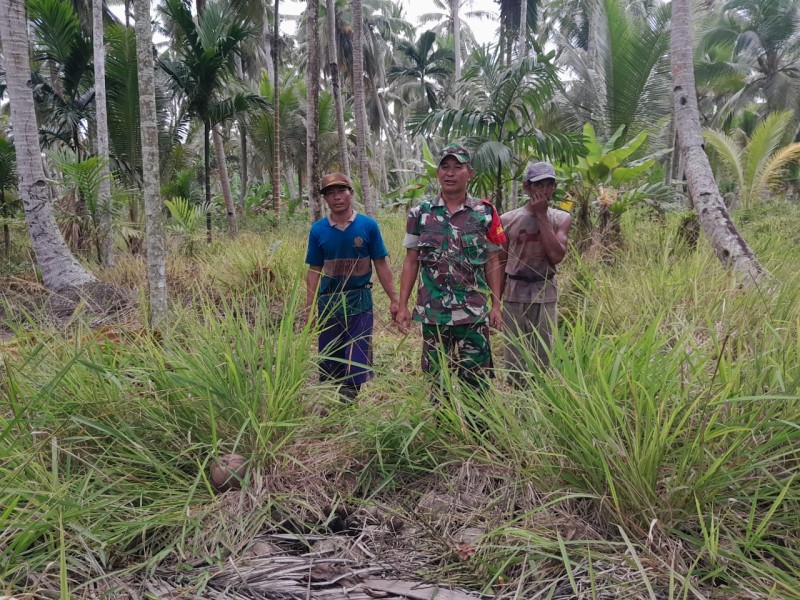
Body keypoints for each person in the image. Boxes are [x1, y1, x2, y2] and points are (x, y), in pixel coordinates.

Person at [395, 144, 507, 394]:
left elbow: (492, 262)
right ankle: (443, 430)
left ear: (470, 173)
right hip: (434, 315)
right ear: (438, 173)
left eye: (458, 167)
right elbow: (411, 261)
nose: (450, 173)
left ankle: (478, 431)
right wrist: (403, 305)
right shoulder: (420, 214)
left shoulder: (485, 213)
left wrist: (496, 306)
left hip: (473, 313)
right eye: (445, 167)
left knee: (476, 383)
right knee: (437, 382)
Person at [306, 172, 399, 400]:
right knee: (331, 355)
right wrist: (309, 307)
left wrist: (395, 299)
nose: (337, 197)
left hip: (360, 300)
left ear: (351, 193)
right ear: (325, 199)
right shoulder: (318, 231)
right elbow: (314, 269)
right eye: (330, 193)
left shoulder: (368, 226)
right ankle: (338, 398)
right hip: (329, 302)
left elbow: (380, 263)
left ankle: (348, 398)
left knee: (357, 354)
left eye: (341, 191)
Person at [499, 161, 571, 384]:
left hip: (545, 292)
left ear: (554, 187)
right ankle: (520, 405)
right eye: (538, 184)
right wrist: (495, 302)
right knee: (515, 357)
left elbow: (556, 256)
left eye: (549, 184)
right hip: (514, 293)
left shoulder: (561, 219)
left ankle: (540, 401)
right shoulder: (508, 220)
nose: (544, 190)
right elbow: (500, 264)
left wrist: (542, 217)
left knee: (543, 355)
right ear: (526, 187)